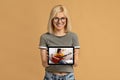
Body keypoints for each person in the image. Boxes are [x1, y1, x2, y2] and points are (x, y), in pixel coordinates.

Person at [39, 5, 80, 80]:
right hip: (50, 77)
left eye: (62, 18)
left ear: (66, 20)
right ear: (51, 19)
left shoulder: (73, 37)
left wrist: (71, 57)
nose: (59, 21)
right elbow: (44, 64)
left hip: (68, 77)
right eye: (56, 18)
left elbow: (76, 64)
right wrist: (51, 58)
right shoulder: (44, 37)